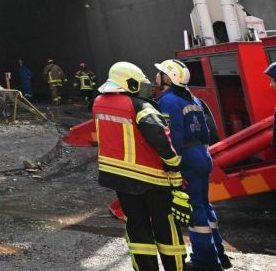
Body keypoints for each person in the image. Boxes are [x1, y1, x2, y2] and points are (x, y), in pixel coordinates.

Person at [94, 61, 188, 271]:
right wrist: (174, 165)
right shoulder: (141, 107)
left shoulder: (99, 103)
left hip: (119, 179)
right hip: (152, 180)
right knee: (166, 228)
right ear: (129, 83)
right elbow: (160, 140)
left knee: (137, 229)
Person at [155, 58, 231, 271]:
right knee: (205, 205)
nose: (157, 76)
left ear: (168, 78)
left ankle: (205, 261)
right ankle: (219, 256)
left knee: (193, 208)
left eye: (160, 72)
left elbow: (173, 137)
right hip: (201, 154)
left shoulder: (167, 101)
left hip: (187, 157)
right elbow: (207, 132)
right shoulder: (194, 100)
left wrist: (173, 164)